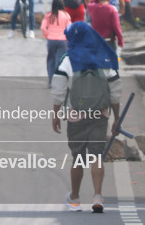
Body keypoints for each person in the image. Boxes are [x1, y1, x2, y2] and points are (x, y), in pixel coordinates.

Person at [51, 22, 121, 213]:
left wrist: (56, 114)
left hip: (76, 115)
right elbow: (115, 91)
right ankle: (97, 196)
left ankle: (75, 198)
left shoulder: (68, 59)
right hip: (100, 114)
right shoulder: (104, 57)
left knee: (78, 158)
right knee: (97, 156)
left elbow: (59, 89)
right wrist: (117, 117)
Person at [41, 0, 71, 87]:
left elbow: (43, 27)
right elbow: (69, 29)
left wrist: (47, 36)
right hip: (62, 40)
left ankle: (51, 80)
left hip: (51, 40)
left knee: (51, 60)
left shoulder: (49, 15)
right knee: (60, 61)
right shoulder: (66, 15)